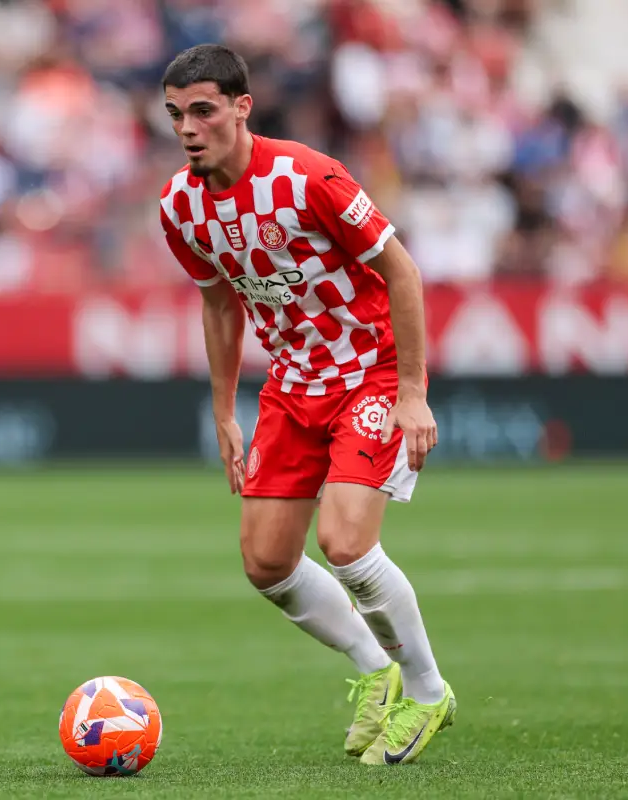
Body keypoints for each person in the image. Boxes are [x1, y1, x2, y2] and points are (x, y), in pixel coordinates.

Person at [158, 44, 456, 766]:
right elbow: (220, 305)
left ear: (240, 107)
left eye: (203, 110)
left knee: (347, 543)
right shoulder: (180, 207)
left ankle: (425, 689)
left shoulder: (308, 175)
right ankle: (374, 668)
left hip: (372, 371)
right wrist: (226, 410)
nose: (189, 128)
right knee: (265, 563)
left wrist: (413, 392)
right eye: (175, 115)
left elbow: (403, 271)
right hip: (293, 384)